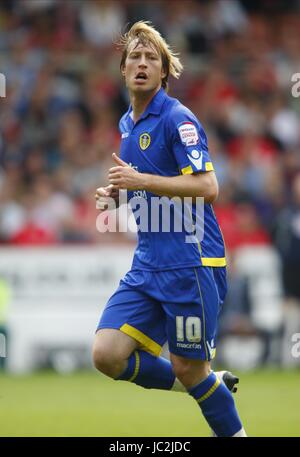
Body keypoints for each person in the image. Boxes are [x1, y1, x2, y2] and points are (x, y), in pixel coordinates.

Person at [93, 21, 246, 437]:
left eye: (151, 59)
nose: (142, 64)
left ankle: (214, 399)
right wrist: (118, 196)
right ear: (123, 69)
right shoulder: (128, 125)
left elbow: (207, 186)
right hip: (148, 264)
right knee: (106, 354)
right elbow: (150, 187)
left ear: (164, 72)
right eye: (135, 57)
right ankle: (205, 385)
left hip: (190, 262)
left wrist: (140, 181)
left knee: (189, 366)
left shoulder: (178, 118)